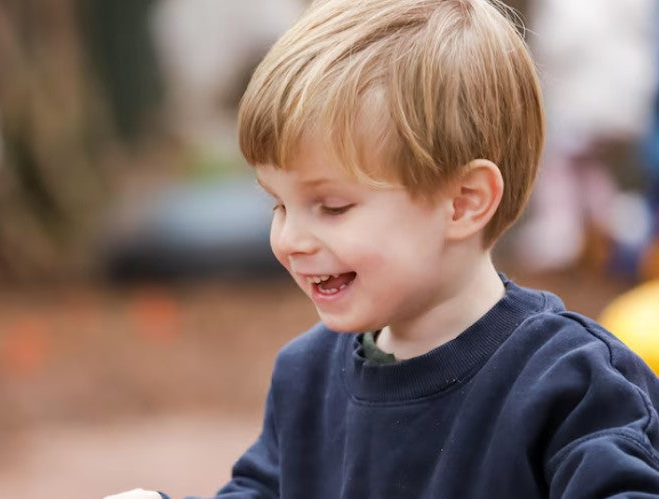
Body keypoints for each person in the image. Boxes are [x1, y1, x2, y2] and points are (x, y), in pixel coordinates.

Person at [106, 0, 659, 497]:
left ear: (464, 203)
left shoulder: (570, 381)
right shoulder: (305, 377)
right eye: (277, 204)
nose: (290, 239)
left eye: (332, 207)